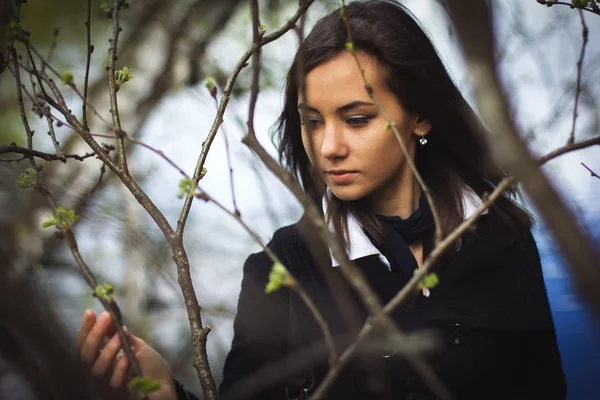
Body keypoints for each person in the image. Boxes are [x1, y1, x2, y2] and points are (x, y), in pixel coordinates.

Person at [76, 1, 566, 399]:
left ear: (421, 116)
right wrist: (166, 394)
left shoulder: (500, 239)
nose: (328, 146)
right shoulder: (283, 268)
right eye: (312, 121)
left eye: (356, 119)